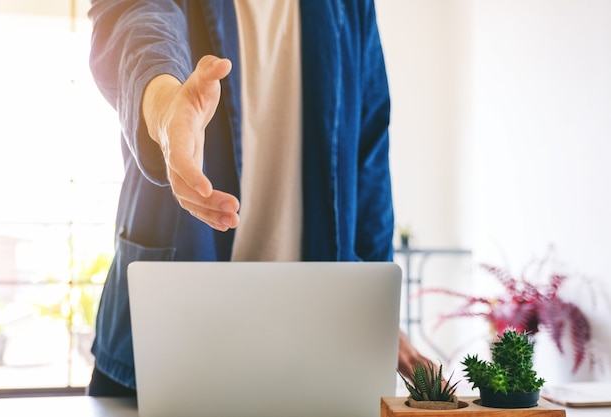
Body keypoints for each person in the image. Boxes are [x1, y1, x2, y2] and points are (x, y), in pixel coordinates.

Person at [86, 0, 435, 396]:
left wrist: (376, 310)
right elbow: (134, 20)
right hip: (166, 342)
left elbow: (369, 155)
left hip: (315, 342)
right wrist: (164, 103)